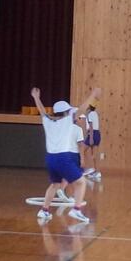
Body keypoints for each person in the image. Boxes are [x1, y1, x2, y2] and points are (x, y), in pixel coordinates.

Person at [31, 86, 101, 223]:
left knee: (55, 184)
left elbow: (42, 110)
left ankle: (44, 210)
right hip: (63, 157)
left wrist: (36, 98)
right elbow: (82, 109)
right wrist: (92, 95)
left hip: (50, 158)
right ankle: (76, 209)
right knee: (81, 182)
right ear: (66, 112)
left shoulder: (47, 120)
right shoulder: (68, 120)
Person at [82, 102, 102, 180]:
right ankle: (97, 171)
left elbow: (91, 126)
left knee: (82, 150)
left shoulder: (90, 114)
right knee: (94, 154)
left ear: (89, 107)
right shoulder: (95, 113)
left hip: (93, 134)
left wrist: (91, 138)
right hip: (97, 134)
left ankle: (88, 168)